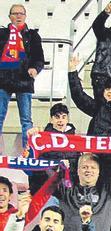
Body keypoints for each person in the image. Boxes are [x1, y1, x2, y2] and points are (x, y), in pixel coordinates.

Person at [0, 4, 43, 146]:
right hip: (3, 80)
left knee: (26, 120)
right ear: (9, 16)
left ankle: (28, 152)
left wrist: (35, 69)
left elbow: (39, 58)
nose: (18, 16)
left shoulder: (33, 35)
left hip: (24, 81)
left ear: (25, 16)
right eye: (15, 13)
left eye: (21, 13)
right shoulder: (2, 34)